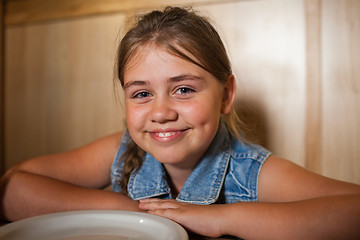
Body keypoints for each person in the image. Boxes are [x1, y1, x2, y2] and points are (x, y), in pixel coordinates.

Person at [1, 6, 360, 240]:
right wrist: (133, 213)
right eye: (141, 94)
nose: (161, 112)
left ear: (225, 95)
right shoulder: (121, 150)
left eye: (183, 89)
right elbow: (13, 186)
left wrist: (222, 219)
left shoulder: (250, 172)